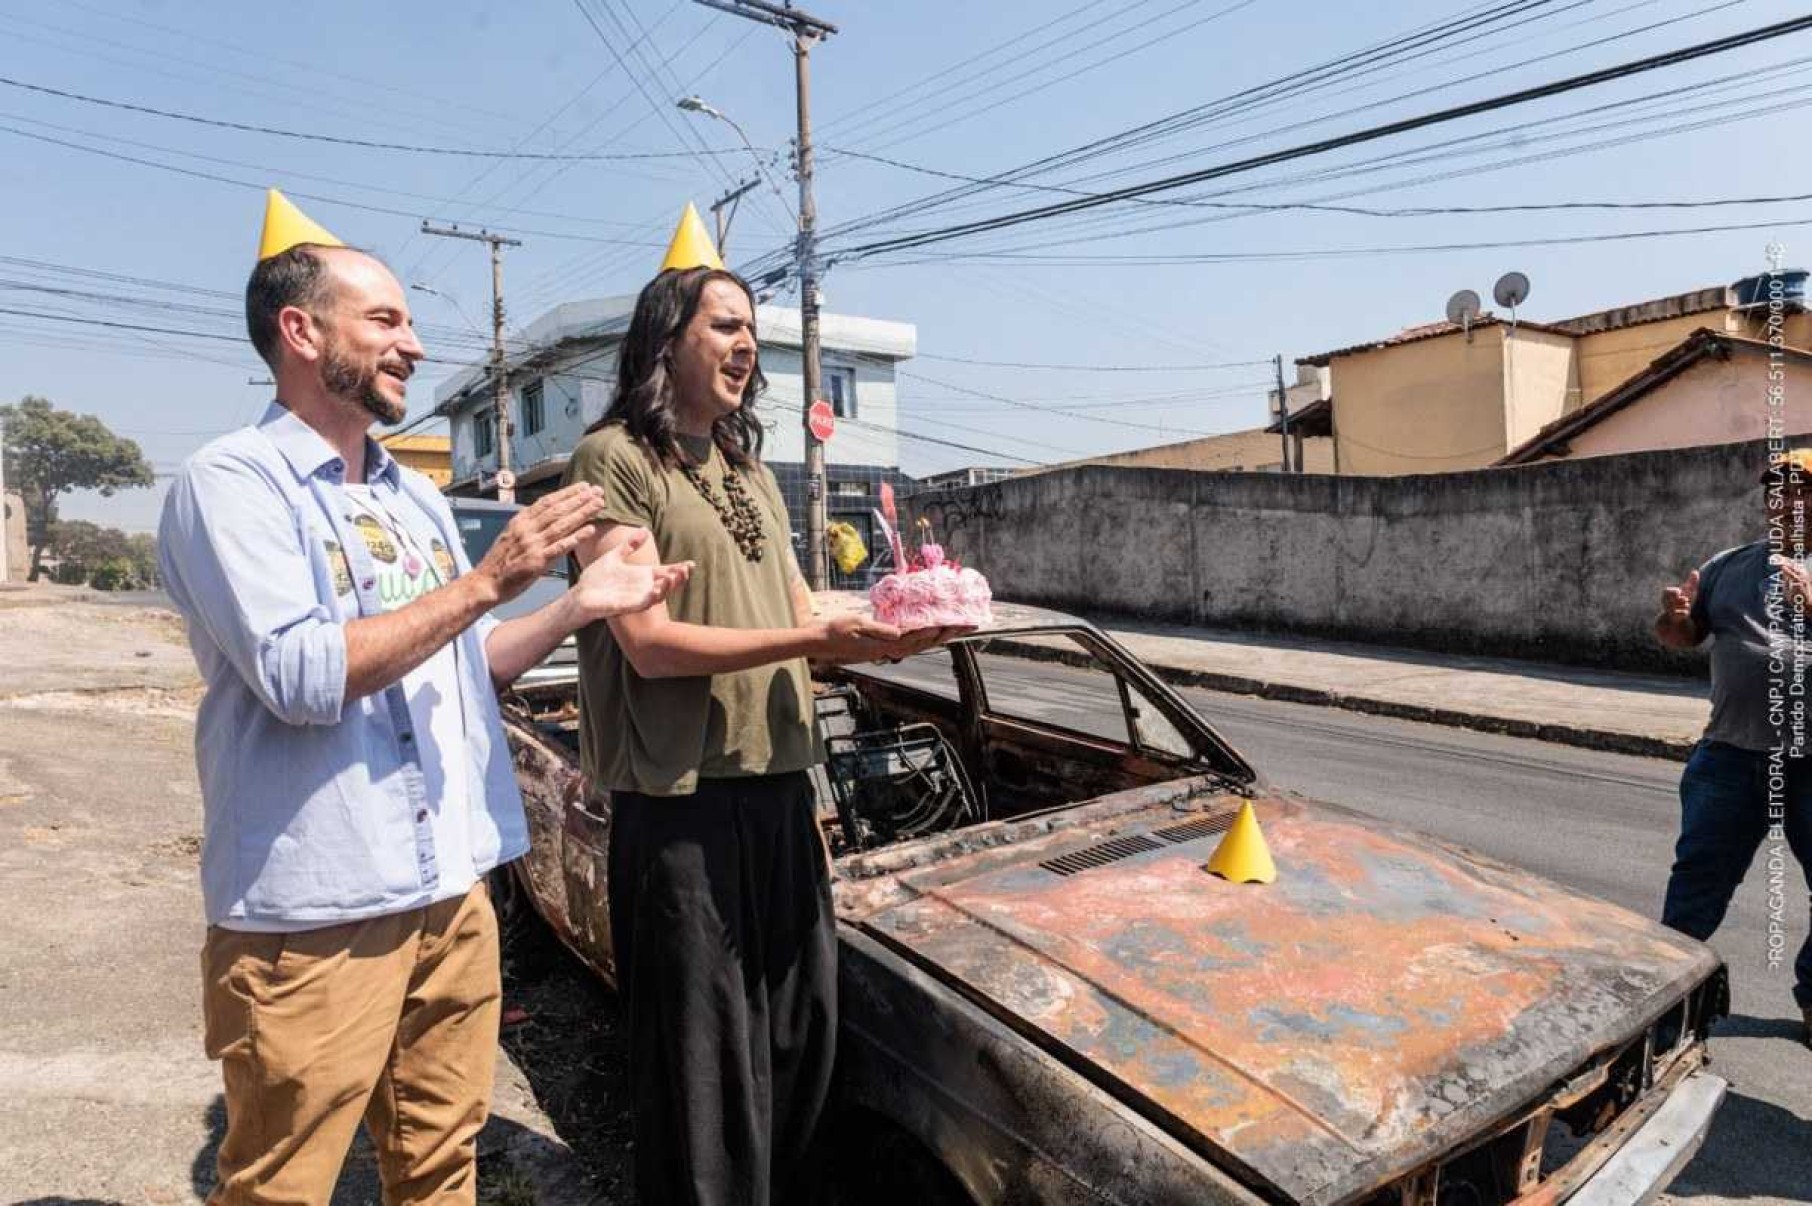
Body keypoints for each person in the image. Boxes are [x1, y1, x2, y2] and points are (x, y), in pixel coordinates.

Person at [157, 189, 691, 1204]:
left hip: (451, 893)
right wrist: (492, 579)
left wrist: (577, 604)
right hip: (316, 914)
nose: (413, 343)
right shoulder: (234, 482)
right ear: (302, 331)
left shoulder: (410, 497)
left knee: (443, 1163)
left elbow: (468, 664)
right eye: (387, 320)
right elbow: (300, 674)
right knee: (281, 1183)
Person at [563, 208, 963, 1205]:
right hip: (683, 808)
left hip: (781, 792)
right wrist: (818, 640)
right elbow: (648, 648)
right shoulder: (612, 461)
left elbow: (798, 609)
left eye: (751, 329)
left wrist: (896, 622)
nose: (747, 345)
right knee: (703, 1075)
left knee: (798, 1043)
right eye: (724, 325)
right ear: (667, 341)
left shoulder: (747, 472)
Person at [1655, 447, 1812, 1044]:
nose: (1787, 502)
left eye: (1801, 491)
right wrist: (1672, 620)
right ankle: (1662, 1008)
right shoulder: (1729, 565)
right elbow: (1684, 635)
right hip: (1730, 757)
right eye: (1778, 492)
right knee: (1696, 886)